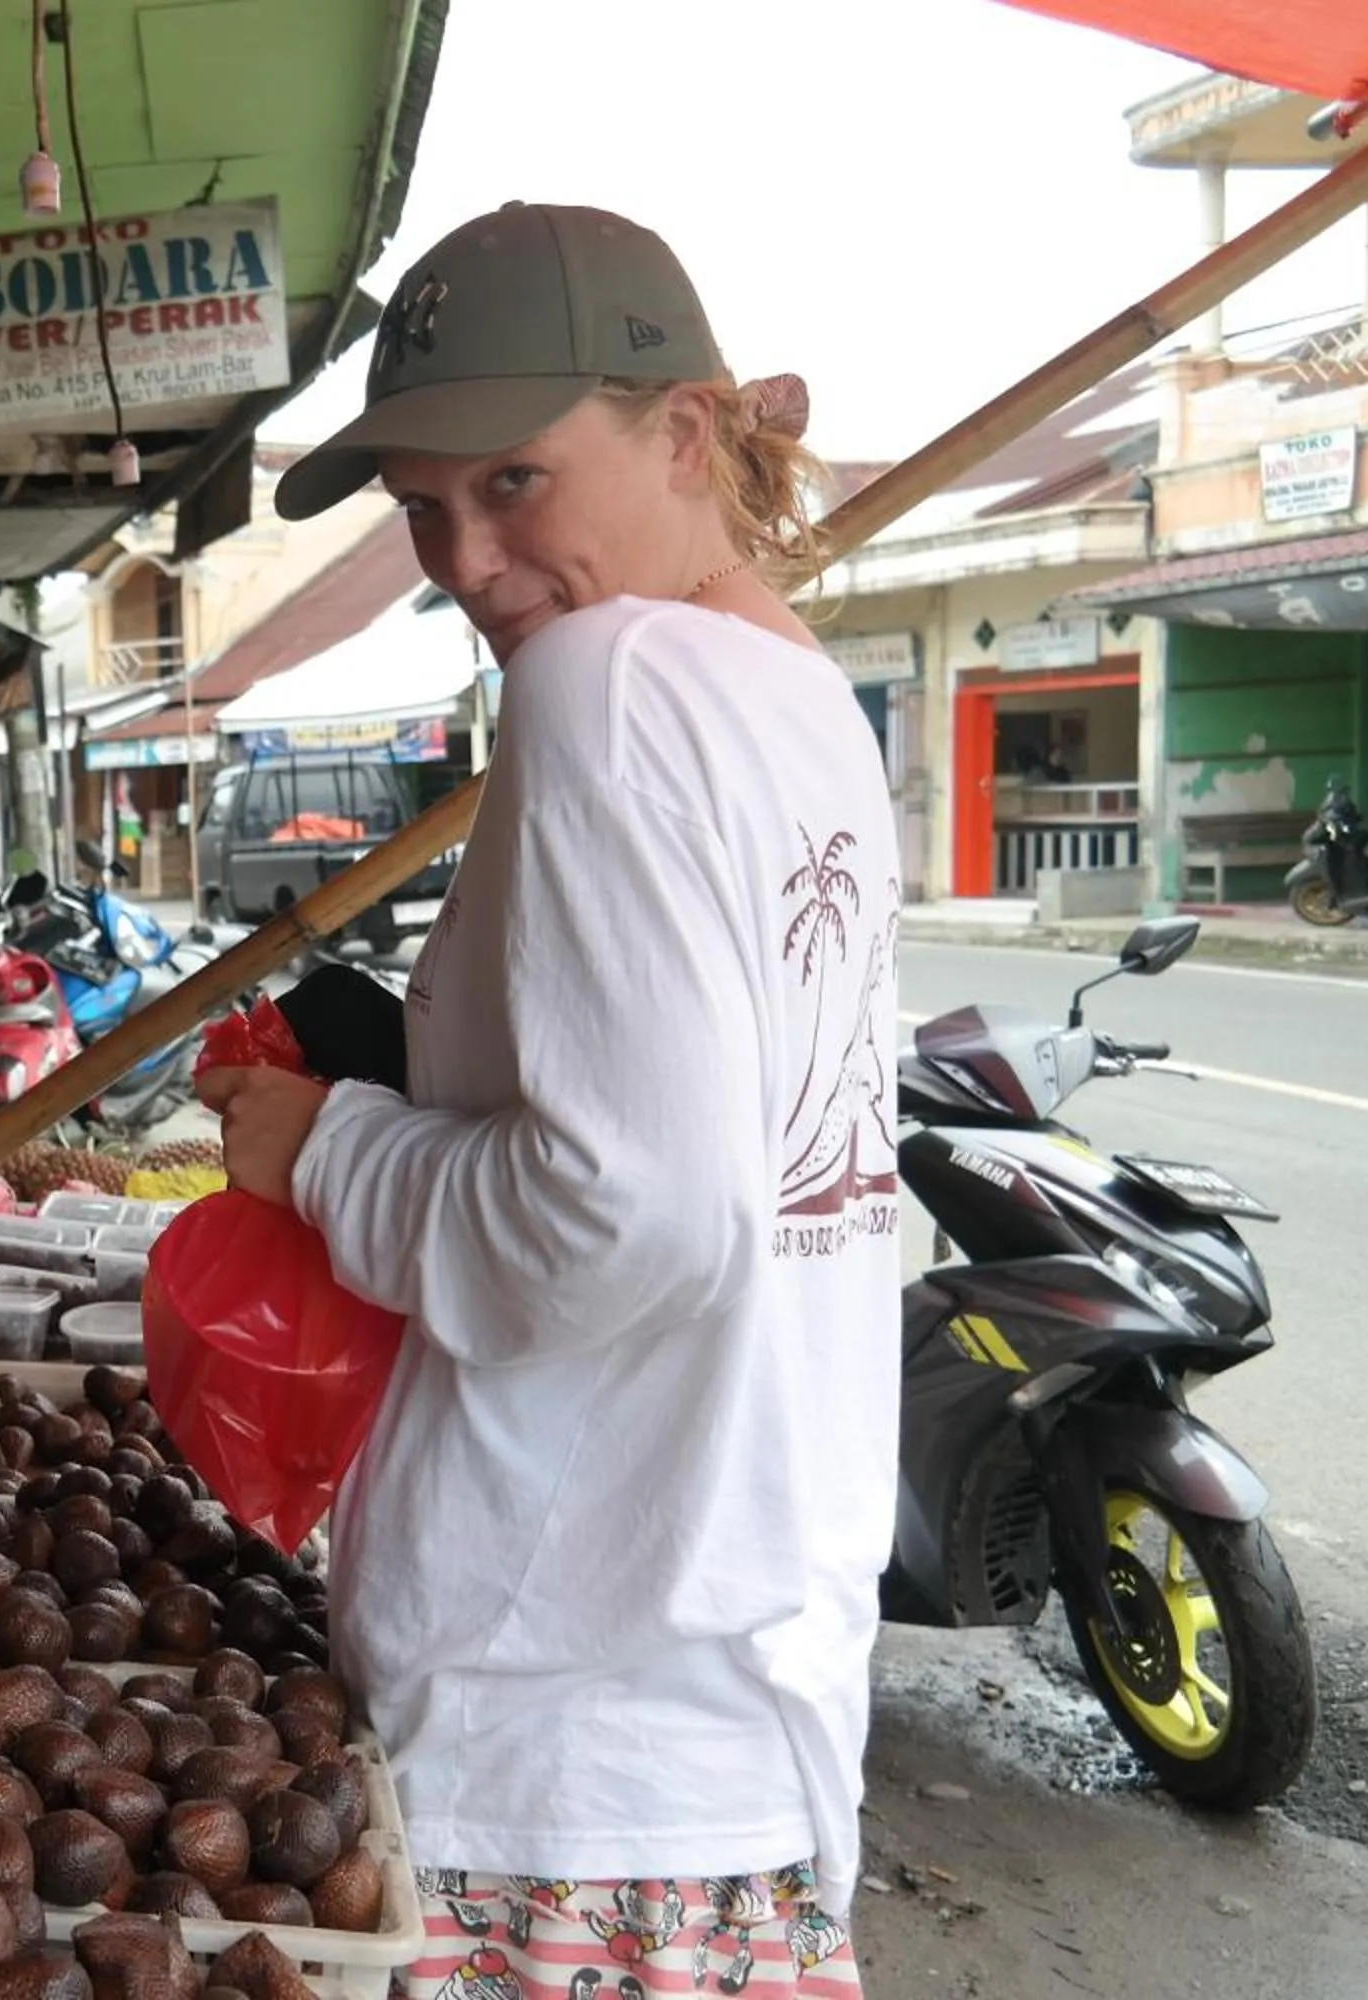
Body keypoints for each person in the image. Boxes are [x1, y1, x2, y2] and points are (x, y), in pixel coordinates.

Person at [201, 203, 900, 1999]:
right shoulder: (797, 697)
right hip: (736, 1715)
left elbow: (630, 1211)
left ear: (686, 433)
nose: (465, 558)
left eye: (514, 481)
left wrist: (327, 1148)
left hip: (572, 1739)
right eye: (423, 506)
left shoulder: (608, 681)